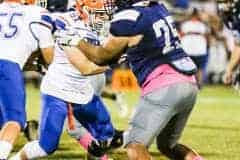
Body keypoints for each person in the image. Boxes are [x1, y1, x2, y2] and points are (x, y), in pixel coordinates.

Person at [60, 0, 204, 159]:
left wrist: (75, 41)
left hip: (163, 85)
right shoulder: (158, 8)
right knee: (168, 146)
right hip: (188, 84)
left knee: (135, 146)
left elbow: (101, 57)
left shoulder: (129, 17)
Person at [10, 0, 122, 159]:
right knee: (46, 147)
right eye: (100, 14)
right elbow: (85, 68)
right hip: (58, 90)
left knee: (106, 135)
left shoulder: (98, 27)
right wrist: (114, 60)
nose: (103, 19)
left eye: (105, 14)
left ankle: (100, 154)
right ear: (83, 10)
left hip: (84, 91)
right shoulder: (66, 25)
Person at [0, 0, 54, 159]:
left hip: (8, 64)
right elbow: (49, 56)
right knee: (14, 121)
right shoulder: (37, 13)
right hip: (7, 66)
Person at [180, 8, 209, 86]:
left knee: (193, 68)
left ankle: (191, 83)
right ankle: (197, 83)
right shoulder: (201, 25)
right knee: (198, 68)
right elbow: (206, 36)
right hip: (196, 49)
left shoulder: (186, 24)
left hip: (192, 49)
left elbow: (181, 35)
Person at [217, 0, 240, 85]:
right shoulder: (231, 18)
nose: (222, 5)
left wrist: (229, 69)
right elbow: (238, 45)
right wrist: (229, 69)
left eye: (225, 1)